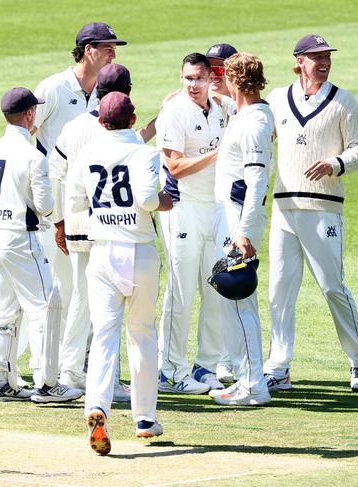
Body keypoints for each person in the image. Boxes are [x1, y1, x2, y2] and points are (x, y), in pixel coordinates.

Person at [263, 34, 358, 391]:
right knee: (279, 290)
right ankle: (278, 366)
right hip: (284, 208)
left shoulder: (343, 102)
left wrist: (335, 162)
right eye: (315, 57)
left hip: (323, 209)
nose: (323, 62)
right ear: (298, 61)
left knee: (332, 287)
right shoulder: (278, 99)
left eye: (327, 56)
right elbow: (258, 133)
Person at [67, 92, 173, 455]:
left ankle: (97, 405)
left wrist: (106, 211)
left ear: (101, 122)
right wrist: (166, 200)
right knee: (142, 333)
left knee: (104, 336)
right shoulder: (145, 153)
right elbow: (147, 199)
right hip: (139, 251)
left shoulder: (87, 154)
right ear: (133, 120)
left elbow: (75, 203)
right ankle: (144, 418)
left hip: (102, 251)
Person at [0, 87, 83, 403]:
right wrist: (32, 210)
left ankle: (0, 380)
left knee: (5, 309)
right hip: (22, 238)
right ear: (30, 114)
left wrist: (4, 206)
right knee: (48, 306)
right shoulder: (34, 156)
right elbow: (47, 206)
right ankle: (47, 385)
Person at [33, 22, 127, 356]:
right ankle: (44, 364)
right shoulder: (55, 88)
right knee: (57, 287)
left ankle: (79, 362)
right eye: (108, 47)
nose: (113, 53)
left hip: (89, 209)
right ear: (89, 50)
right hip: (53, 205)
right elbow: (26, 130)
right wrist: (49, 207)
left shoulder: (108, 96)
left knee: (85, 288)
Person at [49, 63, 135, 402]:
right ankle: (98, 378)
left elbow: (55, 171)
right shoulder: (112, 128)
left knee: (83, 300)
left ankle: (73, 370)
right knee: (102, 305)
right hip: (107, 227)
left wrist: (59, 221)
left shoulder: (74, 126)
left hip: (77, 223)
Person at [155, 53, 227, 395]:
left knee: (215, 289)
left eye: (198, 78)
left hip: (214, 208)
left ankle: (206, 367)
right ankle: (169, 370)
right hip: (181, 209)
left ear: (210, 77)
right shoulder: (174, 112)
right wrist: (218, 153)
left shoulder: (222, 108)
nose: (193, 85)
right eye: (187, 78)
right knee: (180, 291)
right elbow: (176, 167)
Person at [209, 52, 274, 406]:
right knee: (234, 301)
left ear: (235, 80)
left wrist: (244, 231)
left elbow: (257, 180)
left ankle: (254, 386)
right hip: (233, 217)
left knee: (241, 298)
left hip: (239, 219)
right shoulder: (248, 114)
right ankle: (245, 377)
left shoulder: (253, 124)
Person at [205, 42, 239, 384]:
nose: (214, 75)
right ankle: (216, 360)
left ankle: (232, 361)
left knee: (231, 281)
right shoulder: (199, 105)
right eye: (209, 67)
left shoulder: (245, 111)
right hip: (202, 207)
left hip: (233, 208)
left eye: (220, 69)